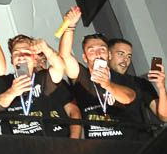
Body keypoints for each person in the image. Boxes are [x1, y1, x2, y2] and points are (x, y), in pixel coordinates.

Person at [57, 7, 140, 139]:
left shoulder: (122, 78)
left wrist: (107, 84)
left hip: (126, 143)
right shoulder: (82, 77)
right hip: (96, 144)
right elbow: (64, 56)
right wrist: (70, 27)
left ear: (109, 55)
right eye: (91, 50)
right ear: (84, 58)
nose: (97, 53)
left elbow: (129, 97)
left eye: (102, 49)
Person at [0, 35, 80, 138]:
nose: (21, 57)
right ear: (12, 60)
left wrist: (46, 48)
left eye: (26, 53)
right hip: (18, 144)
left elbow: (59, 67)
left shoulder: (43, 78)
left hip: (48, 142)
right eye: (16, 53)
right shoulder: (3, 81)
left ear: (34, 60)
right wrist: (12, 92)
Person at [107, 38, 167, 126]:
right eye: (121, 54)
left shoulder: (140, 83)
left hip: (137, 133)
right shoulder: (94, 80)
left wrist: (162, 87)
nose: (125, 60)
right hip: (104, 132)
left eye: (129, 56)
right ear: (109, 55)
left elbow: (164, 117)